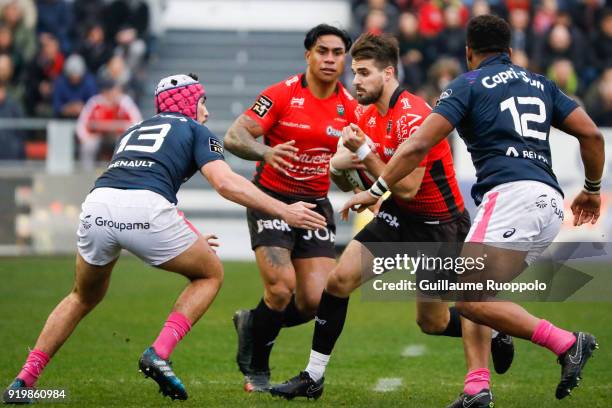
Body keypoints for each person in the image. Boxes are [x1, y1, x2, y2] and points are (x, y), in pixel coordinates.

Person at [2, 73, 327, 403]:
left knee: (81, 296)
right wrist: (283, 211)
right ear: (189, 103)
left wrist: (191, 233)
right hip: (146, 209)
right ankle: (159, 352)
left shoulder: (133, 131)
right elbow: (225, 183)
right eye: (202, 103)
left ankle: (24, 381)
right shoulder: (196, 130)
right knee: (210, 274)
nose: (207, 112)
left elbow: (140, 184)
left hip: (98, 205)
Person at [340, 15, 603, 407]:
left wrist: (376, 188)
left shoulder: (467, 84)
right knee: (478, 293)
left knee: (466, 297)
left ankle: (567, 343)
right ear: (510, 52)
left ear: (468, 53)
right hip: (549, 203)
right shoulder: (541, 83)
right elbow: (592, 134)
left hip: (510, 196)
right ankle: (476, 388)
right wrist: (593, 190)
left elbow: (415, 148)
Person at [270, 32, 513, 401]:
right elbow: (357, 177)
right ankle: (313, 376)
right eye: (354, 72)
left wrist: (364, 152)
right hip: (399, 219)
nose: (355, 81)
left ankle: (496, 330)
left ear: (388, 73)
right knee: (338, 281)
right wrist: (341, 168)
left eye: (364, 73)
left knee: (430, 323)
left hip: (439, 228)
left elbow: (408, 187)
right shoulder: (366, 113)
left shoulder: (414, 116)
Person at [223, 24, 360, 392]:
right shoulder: (282, 94)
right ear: (308, 55)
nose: (330, 59)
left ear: (344, 58)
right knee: (281, 289)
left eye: (336, 53)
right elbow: (234, 136)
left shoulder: (351, 108)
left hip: (315, 204)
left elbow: (345, 175)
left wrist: (356, 185)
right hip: (272, 199)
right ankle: (258, 369)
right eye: (322, 51)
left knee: (316, 299)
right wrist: (266, 151)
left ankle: (253, 323)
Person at [76, 76, 142, 169]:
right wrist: (85, 137)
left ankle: (124, 172)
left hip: (118, 136)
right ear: (105, 91)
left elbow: (137, 122)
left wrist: (121, 130)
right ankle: (86, 174)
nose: (116, 92)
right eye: (113, 89)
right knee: (88, 145)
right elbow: (81, 124)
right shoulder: (95, 102)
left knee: (126, 145)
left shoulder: (125, 101)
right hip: (98, 136)